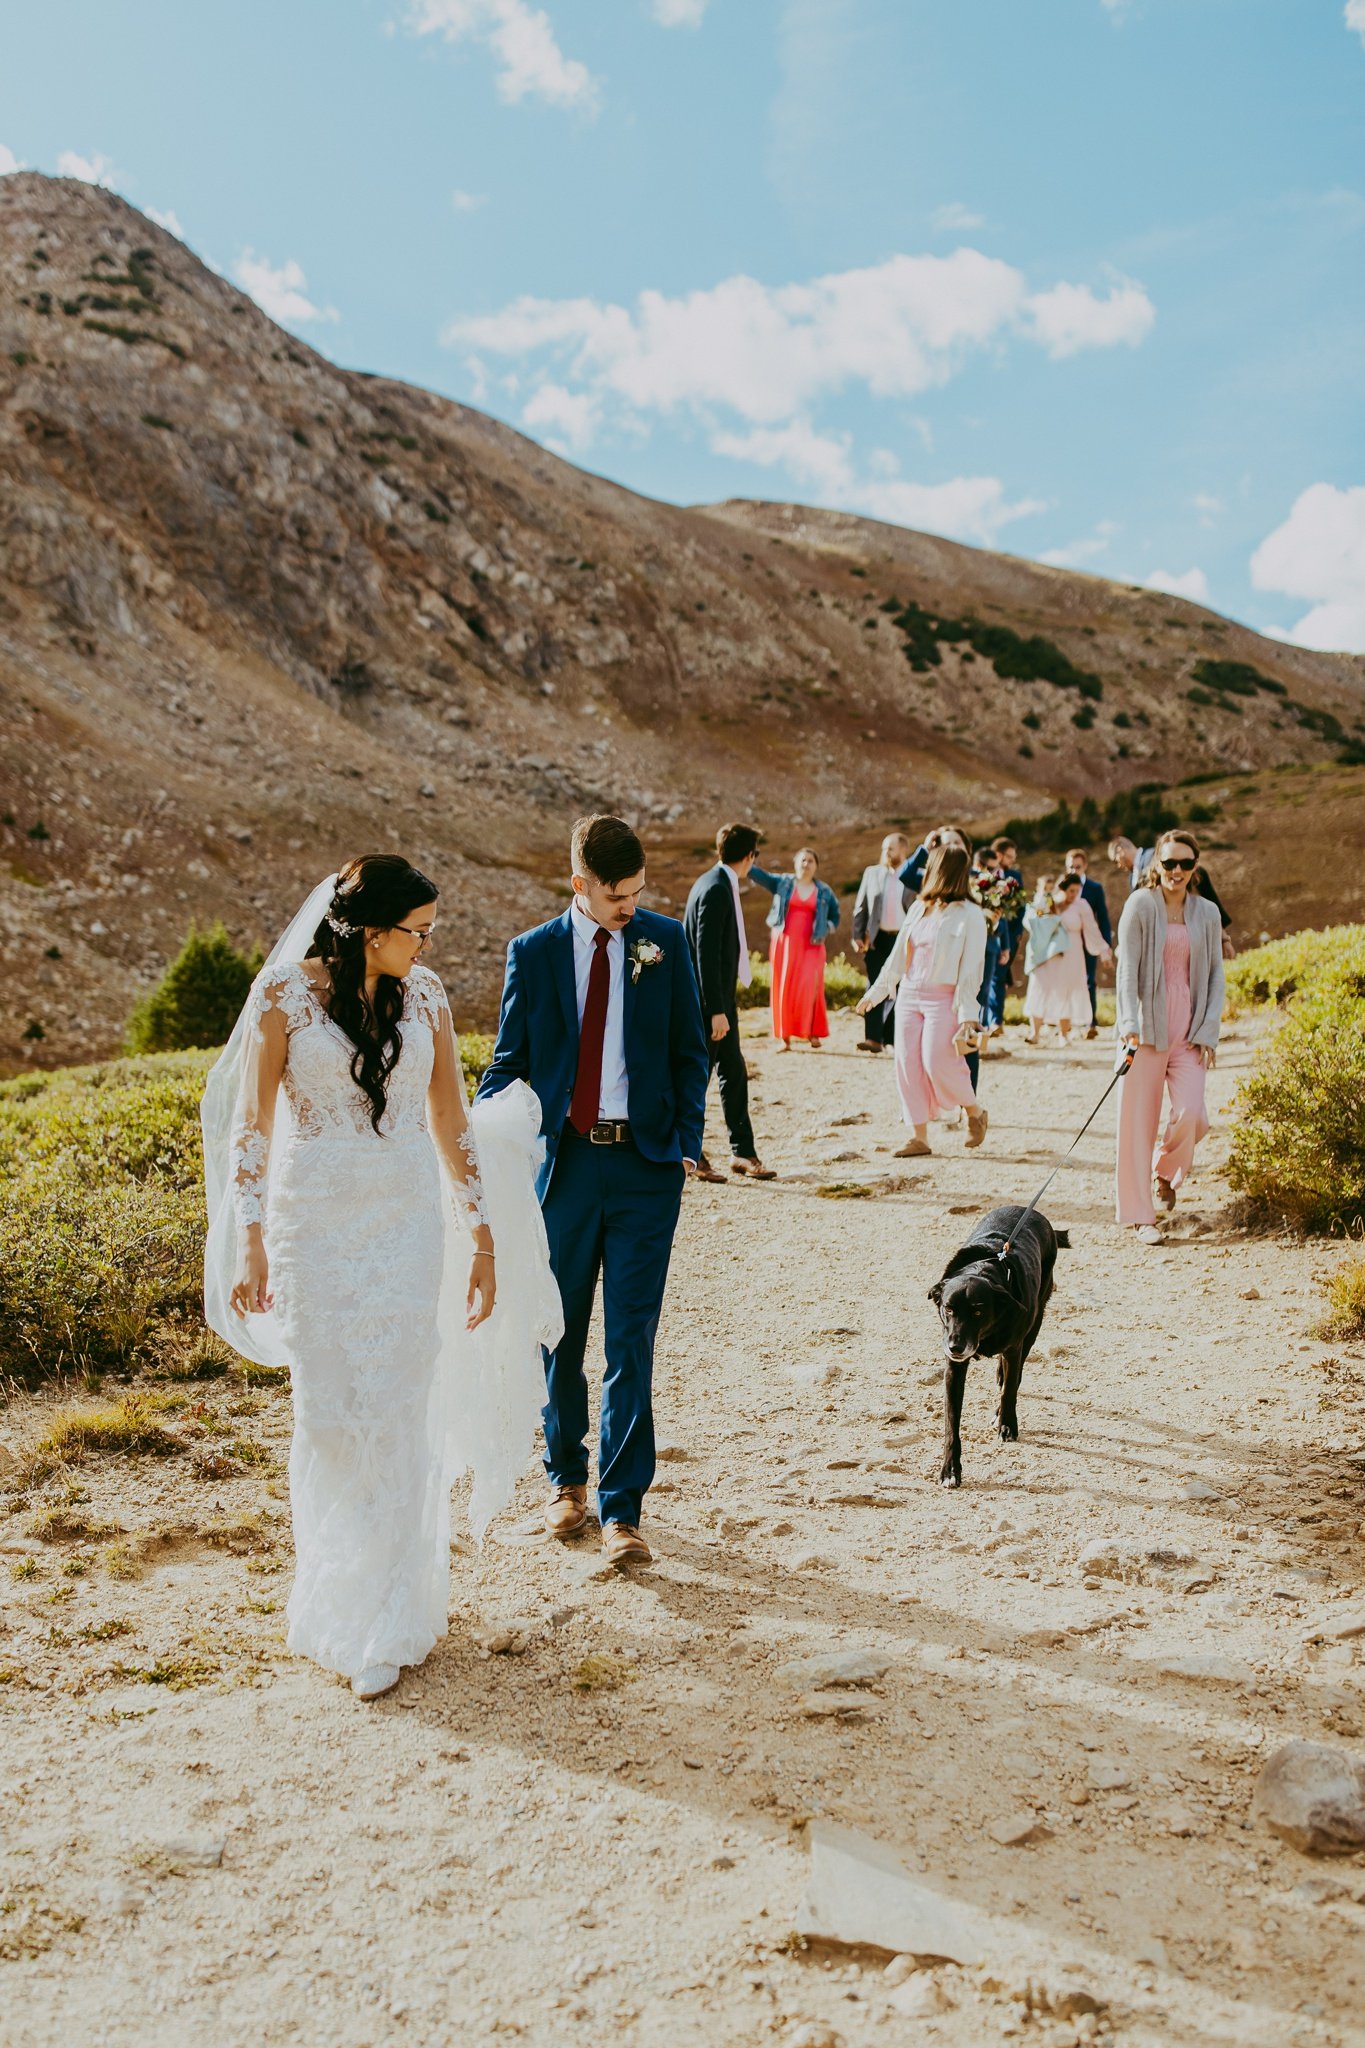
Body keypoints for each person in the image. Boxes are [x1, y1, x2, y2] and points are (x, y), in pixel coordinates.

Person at [202, 856, 559, 1703]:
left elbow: (449, 1121)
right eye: (418, 930)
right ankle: (335, 1595)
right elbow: (250, 1125)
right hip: (311, 1230)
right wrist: (248, 1238)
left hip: (404, 1229)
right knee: (328, 1416)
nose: (427, 944)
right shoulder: (286, 996)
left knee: (397, 1412)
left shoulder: (426, 997)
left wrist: (482, 1240)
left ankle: (394, 1614)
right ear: (371, 930)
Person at [477, 815, 709, 1565]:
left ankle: (621, 1510)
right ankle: (565, 1481)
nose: (629, 907)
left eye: (638, 892)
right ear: (578, 884)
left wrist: (685, 1143)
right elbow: (508, 1062)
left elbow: (689, 1053)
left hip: (645, 1169)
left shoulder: (665, 942)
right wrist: (484, 1141)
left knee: (630, 1341)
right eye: (615, 896)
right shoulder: (534, 954)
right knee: (560, 1332)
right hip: (564, 1170)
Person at [1114, 829, 1225, 1245]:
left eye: (1185, 863)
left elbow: (1215, 973)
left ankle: (1166, 1171)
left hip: (1190, 1029)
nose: (1176, 871)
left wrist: (1209, 1030)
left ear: (1195, 867)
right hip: (1144, 1027)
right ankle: (1143, 1217)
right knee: (1137, 1125)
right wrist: (1128, 1025)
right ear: (1155, 866)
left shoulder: (1208, 912)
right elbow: (1126, 971)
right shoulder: (1140, 905)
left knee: (1192, 1113)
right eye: (1168, 863)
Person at [855, 843, 989, 1156]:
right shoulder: (918, 907)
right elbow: (897, 957)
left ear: (943, 871)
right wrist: (875, 993)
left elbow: (972, 970)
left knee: (937, 1060)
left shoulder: (971, 915)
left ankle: (974, 1111)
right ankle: (919, 1137)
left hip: (943, 998)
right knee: (906, 1064)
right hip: (909, 995)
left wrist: (969, 1015)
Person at [683, 824, 776, 1183]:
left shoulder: (712, 881)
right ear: (750, 857)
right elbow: (706, 953)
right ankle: (692, 1154)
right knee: (698, 1078)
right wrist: (716, 1010)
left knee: (733, 1072)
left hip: (719, 1001)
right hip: (712, 1004)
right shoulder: (718, 888)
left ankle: (742, 1152)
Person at [748, 847, 841, 1050]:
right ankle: (785, 1036)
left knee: (811, 986)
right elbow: (757, 874)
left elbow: (836, 914)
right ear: (795, 863)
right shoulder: (782, 882)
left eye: (810, 861)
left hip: (813, 945)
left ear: (816, 866)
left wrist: (826, 928)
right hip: (784, 942)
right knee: (784, 986)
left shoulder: (824, 890)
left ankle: (813, 1032)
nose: (806, 865)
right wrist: (748, 855)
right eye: (803, 860)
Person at [1111, 833, 1236, 959]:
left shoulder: (1154, 855)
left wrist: (1224, 938)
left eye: (1116, 860)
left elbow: (1201, 885)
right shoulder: (1131, 877)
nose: (1118, 865)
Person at [1023, 873, 1111, 1045]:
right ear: (1062, 889)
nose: (1074, 895)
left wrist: (1104, 951)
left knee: (1066, 990)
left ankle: (1063, 1034)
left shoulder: (1082, 905)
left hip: (1072, 954)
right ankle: (1035, 1033)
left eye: (1077, 891)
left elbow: (1092, 929)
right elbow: (1031, 921)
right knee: (1040, 985)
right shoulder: (1048, 901)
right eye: (1071, 891)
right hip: (1049, 954)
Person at [851, 832, 911, 1052]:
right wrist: (857, 934)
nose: (886, 852)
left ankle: (893, 1039)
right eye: (884, 848)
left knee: (901, 988)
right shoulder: (872, 873)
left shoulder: (915, 875)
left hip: (905, 940)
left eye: (891, 848)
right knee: (875, 983)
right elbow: (861, 906)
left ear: (904, 849)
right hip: (878, 938)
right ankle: (873, 1038)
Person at [1063, 848, 1113, 1039]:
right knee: (1066, 982)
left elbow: (1103, 918)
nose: (1074, 870)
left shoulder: (1094, 888)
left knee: (1089, 981)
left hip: (1089, 943)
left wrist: (1106, 945)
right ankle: (1066, 1022)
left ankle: (1090, 1022)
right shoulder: (1061, 887)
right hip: (1067, 944)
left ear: (1085, 866)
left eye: (1077, 866)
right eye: (1070, 867)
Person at [898, 823, 969, 897]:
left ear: (967, 847)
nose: (953, 847)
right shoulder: (930, 879)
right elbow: (905, 875)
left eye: (957, 842)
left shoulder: (978, 877)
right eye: (947, 844)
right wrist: (925, 849)